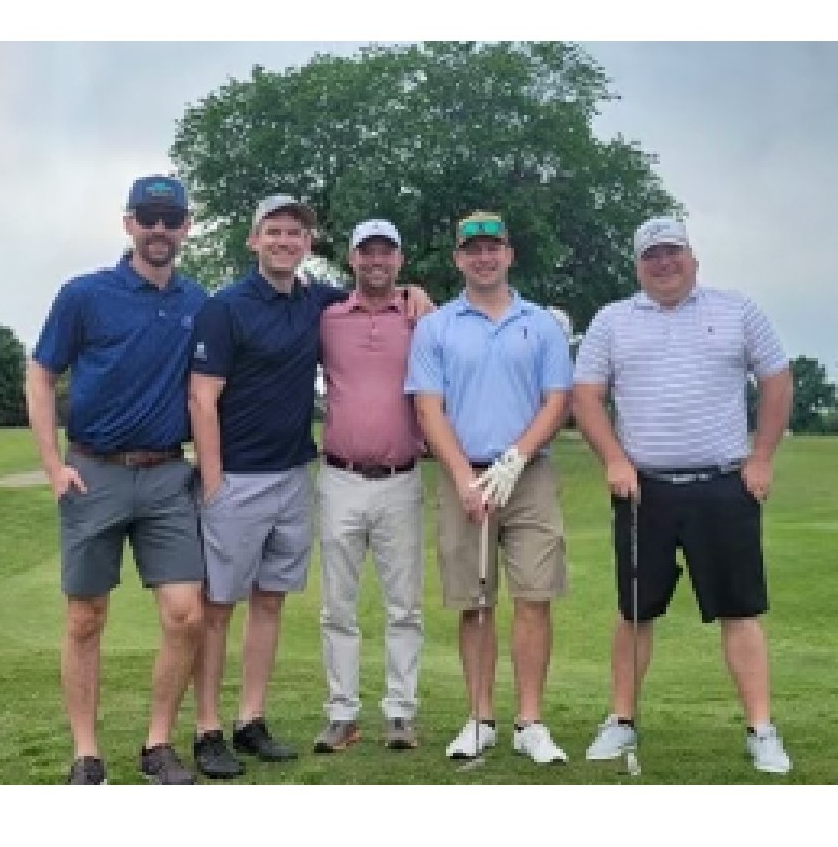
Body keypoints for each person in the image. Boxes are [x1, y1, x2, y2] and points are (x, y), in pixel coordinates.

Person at [187, 197, 432, 779]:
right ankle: (207, 727)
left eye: (295, 234)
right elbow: (202, 396)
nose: (284, 241)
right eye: (273, 232)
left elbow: (387, 293)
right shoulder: (227, 308)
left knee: (269, 602)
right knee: (219, 607)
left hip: (297, 476)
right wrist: (213, 480)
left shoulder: (317, 302)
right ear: (254, 240)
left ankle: (251, 719)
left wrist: (417, 292)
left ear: (310, 245)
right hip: (241, 480)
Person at [572, 215, 795, 774]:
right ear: (638, 266)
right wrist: (616, 460)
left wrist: (762, 456)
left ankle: (761, 729)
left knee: (740, 611)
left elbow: (777, 379)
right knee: (634, 611)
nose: (664, 263)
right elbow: (586, 396)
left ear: (692, 258)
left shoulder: (738, 310)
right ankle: (621, 722)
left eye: (673, 252)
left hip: (723, 482)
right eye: (652, 256)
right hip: (643, 489)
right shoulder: (613, 321)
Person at [25, 174, 207, 785]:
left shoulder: (197, 303)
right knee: (86, 616)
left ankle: (158, 744)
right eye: (148, 218)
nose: (160, 229)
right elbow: (42, 375)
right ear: (129, 223)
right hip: (93, 472)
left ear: (185, 227)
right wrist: (53, 465)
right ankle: (86, 752)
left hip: (166, 475)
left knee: (186, 613)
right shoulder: (85, 295)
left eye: (171, 219)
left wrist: (410, 294)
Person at [405, 210, 574, 765]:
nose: (483, 257)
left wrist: (515, 460)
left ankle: (530, 720)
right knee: (473, 603)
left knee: (534, 596)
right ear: (459, 258)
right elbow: (429, 408)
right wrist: (462, 478)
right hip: (464, 475)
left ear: (508, 254)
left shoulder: (542, 323)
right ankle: (479, 717)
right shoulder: (437, 327)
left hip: (529, 476)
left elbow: (558, 400)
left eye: (493, 247)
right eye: (472, 249)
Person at [314, 219, 426, 754]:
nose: (376, 261)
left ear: (400, 260)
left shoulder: (421, 317)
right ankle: (342, 713)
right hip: (339, 477)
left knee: (404, 605)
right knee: (339, 605)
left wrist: (417, 297)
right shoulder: (329, 318)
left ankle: (401, 712)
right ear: (352, 259)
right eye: (367, 253)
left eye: (386, 252)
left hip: (402, 478)